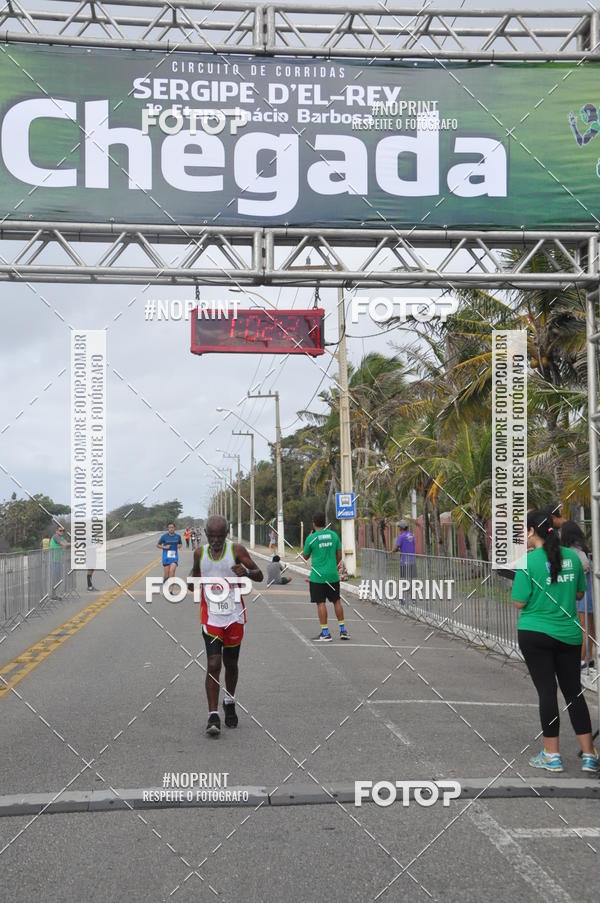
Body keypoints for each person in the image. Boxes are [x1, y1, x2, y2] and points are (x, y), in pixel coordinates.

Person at [511, 509, 598, 774]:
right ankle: (589, 754)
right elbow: (580, 592)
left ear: (531, 532)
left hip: (535, 633)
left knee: (547, 691)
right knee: (573, 692)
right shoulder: (572, 557)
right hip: (569, 635)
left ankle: (552, 755)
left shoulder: (528, 561)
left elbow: (519, 601)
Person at [189, 514, 263, 737]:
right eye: (211, 536)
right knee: (213, 664)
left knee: (231, 663)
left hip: (234, 617)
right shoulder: (200, 553)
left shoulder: (236, 551)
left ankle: (229, 700)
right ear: (206, 534)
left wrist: (247, 572)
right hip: (211, 618)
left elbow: (259, 575)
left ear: (226, 534)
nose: (215, 541)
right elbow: (194, 578)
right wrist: (192, 582)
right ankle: (213, 715)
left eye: (219, 536)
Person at [302, 512, 350, 642]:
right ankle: (343, 630)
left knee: (321, 602)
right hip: (333, 575)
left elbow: (304, 556)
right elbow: (339, 555)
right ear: (325, 522)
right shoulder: (334, 536)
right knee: (337, 601)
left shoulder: (311, 538)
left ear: (314, 523)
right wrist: (333, 567)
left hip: (318, 577)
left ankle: (325, 633)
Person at [560, 520, 596, 670]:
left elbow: (585, 566)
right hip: (585, 593)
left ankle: (582, 658)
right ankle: (588, 657)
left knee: (584, 627)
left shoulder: (576, 551)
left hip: (585, 594)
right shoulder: (578, 549)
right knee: (589, 628)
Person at [391, 519, 417, 587]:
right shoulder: (412, 535)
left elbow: (395, 548)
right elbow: (409, 546)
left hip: (405, 560)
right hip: (412, 559)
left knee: (406, 578)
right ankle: (411, 592)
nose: (398, 528)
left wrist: (392, 551)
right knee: (411, 578)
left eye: (399, 527)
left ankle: (408, 593)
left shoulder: (401, 536)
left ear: (401, 527)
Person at [157, 522, 182, 588]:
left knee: (172, 571)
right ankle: (165, 581)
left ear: (174, 528)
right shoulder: (164, 536)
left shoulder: (178, 536)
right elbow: (158, 545)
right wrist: (165, 547)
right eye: (170, 527)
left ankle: (171, 590)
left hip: (174, 556)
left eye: (172, 527)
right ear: (168, 528)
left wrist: (179, 546)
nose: (171, 529)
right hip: (166, 557)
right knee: (166, 575)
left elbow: (180, 544)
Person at [49, 524, 69, 599]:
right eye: (60, 530)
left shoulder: (61, 537)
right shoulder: (56, 536)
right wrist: (71, 544)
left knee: (58, 578)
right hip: (53, 560)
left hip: (58, 561)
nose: (62, 532)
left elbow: (66, 544)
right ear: (56, 531)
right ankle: (52, 595)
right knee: (54, 578)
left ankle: (54, 594)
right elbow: (64, 544)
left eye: (63, 531)